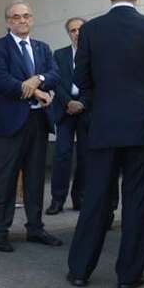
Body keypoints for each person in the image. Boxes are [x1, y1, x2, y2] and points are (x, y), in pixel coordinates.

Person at [67, 0, 144, 288]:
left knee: (96, 198)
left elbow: (80, 77)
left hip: (104, 125)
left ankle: (80, 270)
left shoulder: (91, 30)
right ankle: (129, 275)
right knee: (137, 201)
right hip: (143, 125)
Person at [0, 0, 62, 253]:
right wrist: (37, 92)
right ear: (8, 21)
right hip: (8, 123)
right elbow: (3, 81)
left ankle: (35, 228)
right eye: (16, 17)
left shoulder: (43, 48)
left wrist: (38, 79)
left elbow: (55, 74)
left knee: (35, 178)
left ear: (32, 19)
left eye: (26, 16)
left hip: (38, 122)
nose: (22, 20)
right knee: (5, 179)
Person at [46, 17, 89, 215]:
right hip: (64, 110)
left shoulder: (94, 54)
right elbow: (56, 82)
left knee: (85, 156)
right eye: (73, 30)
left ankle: (80, 198)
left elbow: (97, 81)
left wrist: (82, 102)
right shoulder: (59, 54)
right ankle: (57, 199)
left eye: (80, 29)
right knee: (62, 155)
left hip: (86, 110)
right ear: (68, 33)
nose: (77, 33)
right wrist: (68, 102)